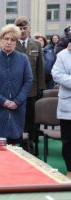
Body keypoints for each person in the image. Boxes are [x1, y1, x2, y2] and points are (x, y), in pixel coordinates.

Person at [0, 24, 33, 145]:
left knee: (14, 148)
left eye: (13, 40)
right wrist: (2, 101)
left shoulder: (23, 58)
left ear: (16, 42)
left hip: (17, 109)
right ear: (1, 40)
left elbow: (28, 80)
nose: (9, 42)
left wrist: (17, 101)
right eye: (6, 39)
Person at [14, 16, 45, 154]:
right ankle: (17, 144)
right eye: (19, 28)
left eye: (24, 28)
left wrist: (41, 87)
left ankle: (30, 145)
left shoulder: (36, 44)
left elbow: (40, 68)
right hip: (16, 89)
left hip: (32, 89)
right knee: (17, 118)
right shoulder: (12, 43)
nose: (22, 30)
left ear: (29, 28)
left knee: (31, 119)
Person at [51, 38, 71, 179]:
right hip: (68, 104)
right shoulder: (63, 55)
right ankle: (70, 169)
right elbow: (56, 74)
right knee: (68, 141)